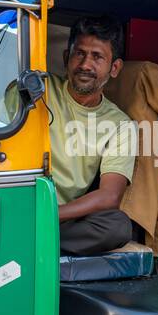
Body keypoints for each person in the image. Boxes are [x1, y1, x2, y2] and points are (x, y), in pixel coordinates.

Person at [48, 17, 136, 256]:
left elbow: (110, 196)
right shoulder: (39, 91)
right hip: (18, 203)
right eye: (79, 54)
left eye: (97, 57)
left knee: (117, 226)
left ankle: (35, 239)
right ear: (67, 58)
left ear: (114, 68)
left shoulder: (120, 125)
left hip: (60, 218)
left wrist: (50, 215)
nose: (85, 64)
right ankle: (37, 239)